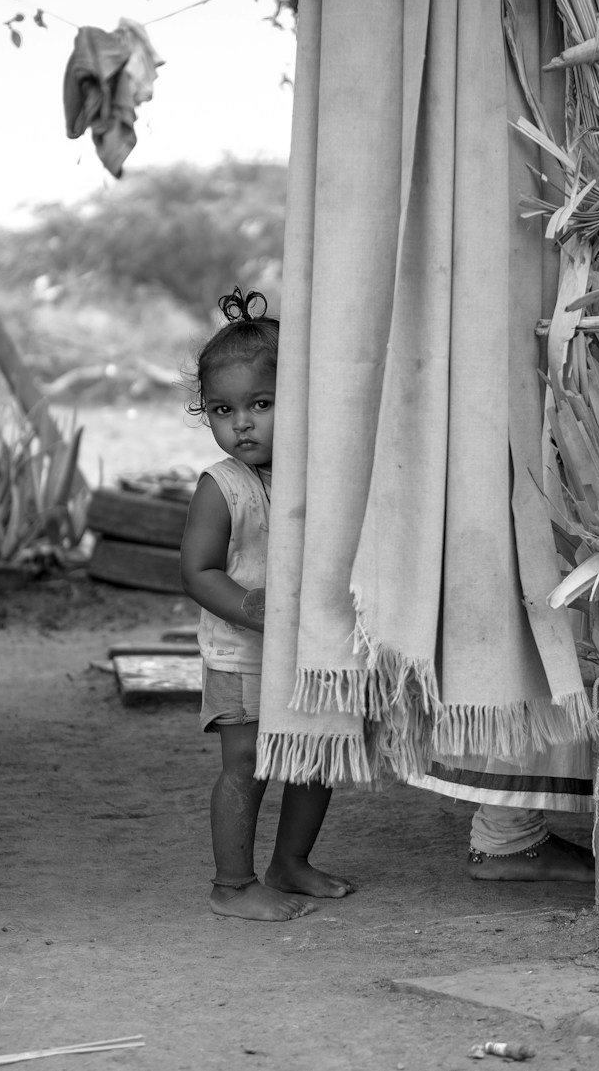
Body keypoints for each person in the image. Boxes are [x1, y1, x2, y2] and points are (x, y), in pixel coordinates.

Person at [180, 288, 356, 921]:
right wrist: (255, 608)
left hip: (312, 644)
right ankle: (232, 883)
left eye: (261, 404)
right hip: (242, 650)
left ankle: (290, 862)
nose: (243, 424)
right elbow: (197, 572)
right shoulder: (221, 486)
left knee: (313, 756)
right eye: (224, 410)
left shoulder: (321, 479)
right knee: (248, 764)